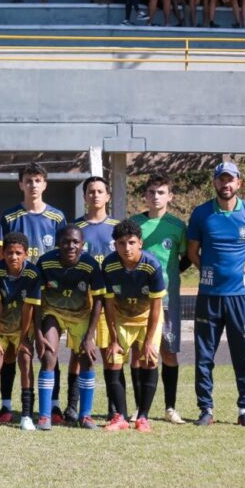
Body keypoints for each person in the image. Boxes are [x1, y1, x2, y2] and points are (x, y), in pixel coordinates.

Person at [187, 161, 245, 428]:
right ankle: (205, 409)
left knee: (244, 353)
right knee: (204, 355)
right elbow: (192, 252)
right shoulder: (201, 214)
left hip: (241, 297)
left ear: (239, 183)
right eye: (221, 179)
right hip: (209, 296)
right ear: (214, 183)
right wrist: (209, 272)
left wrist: (243, 273)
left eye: (230, 179)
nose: (226, 184)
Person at [0, 162, 66, 423]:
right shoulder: (10, 216)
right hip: (15, 294)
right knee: (13, 350)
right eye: (28, 180)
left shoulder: (57, 218)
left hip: (48, 294)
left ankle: (54, 406)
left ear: (45, 184)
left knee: (48, 348)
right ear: (21, 184)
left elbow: (64, 255)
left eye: (38, 180)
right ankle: (5, 405)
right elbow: (2, 258)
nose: (33, 184)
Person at [33, 225, 105, 431]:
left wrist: (90, 335)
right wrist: (38, 333)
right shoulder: (45, 262)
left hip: (80, 314)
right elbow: (36, 300)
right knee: (48, 356)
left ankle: (85, 415)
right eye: (66, 241)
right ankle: (45, 416)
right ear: (58, 243)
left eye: (76, 242)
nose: (70, 246)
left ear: (83, 245)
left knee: (88, 358)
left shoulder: (90, 265)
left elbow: (99, 299)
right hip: (52, 312)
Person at [131, 175, 190, 424]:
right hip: (138, 299)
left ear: (170, 196)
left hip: (167, 299)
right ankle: (138, 408)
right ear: (145, 195)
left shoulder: (177, 226)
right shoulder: (134, 224)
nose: (156, 196)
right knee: (138, 353)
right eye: (152, 191)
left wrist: (169, 277)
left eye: (161, 192)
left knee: (168, 352)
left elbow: (186, 257)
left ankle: (170, 407)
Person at [101, 219, 167, 433]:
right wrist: (112, 338)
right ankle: (120, 416)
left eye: (131, 242)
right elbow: (109, 303)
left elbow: (157, 305)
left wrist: (149, 341)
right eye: (121, 243)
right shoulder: (109, 265)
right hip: (120, 318)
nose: (126, 248)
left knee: (149, 360)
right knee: (113, 361)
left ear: (140, 242)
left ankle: (143, 417)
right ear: (115, 245)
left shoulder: (152, 265)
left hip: (147, 317)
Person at [72, 176, 119, 422]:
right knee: (78, 354)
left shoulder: (117, 227)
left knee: (110, 353)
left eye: (100, 191)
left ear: (108, 196)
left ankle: (114, 408)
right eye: (91, 192)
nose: (95, 195)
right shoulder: (75, 229)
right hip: (83, 302)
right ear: (85, 197)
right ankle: (73, 406)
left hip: (111, 301)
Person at [0, 232, 41, 430]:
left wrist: (25, 338)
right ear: (3, 253)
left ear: (26, 254)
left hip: (22, 326)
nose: (13, 257)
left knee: (25, 359)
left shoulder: (33, 273)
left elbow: (28, 307)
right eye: (9, 252)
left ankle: (26, 415)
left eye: (18, 253)